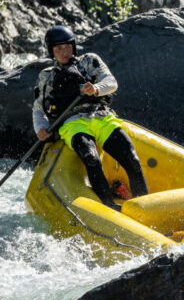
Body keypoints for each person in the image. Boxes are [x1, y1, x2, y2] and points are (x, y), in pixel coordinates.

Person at [33, 25, 148, 209]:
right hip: (73, 123)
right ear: (51, 51)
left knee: (131, 159)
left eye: (68, 47)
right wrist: (40, 128)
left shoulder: (89, 61)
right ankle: (110, 207)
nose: (65, 52)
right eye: (59, 48)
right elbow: (38, 108)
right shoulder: (46, 76)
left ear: (74, 46)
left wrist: (96, 88)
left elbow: (111, 82)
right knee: (91, 159)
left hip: (101, 116)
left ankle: (145, 208)